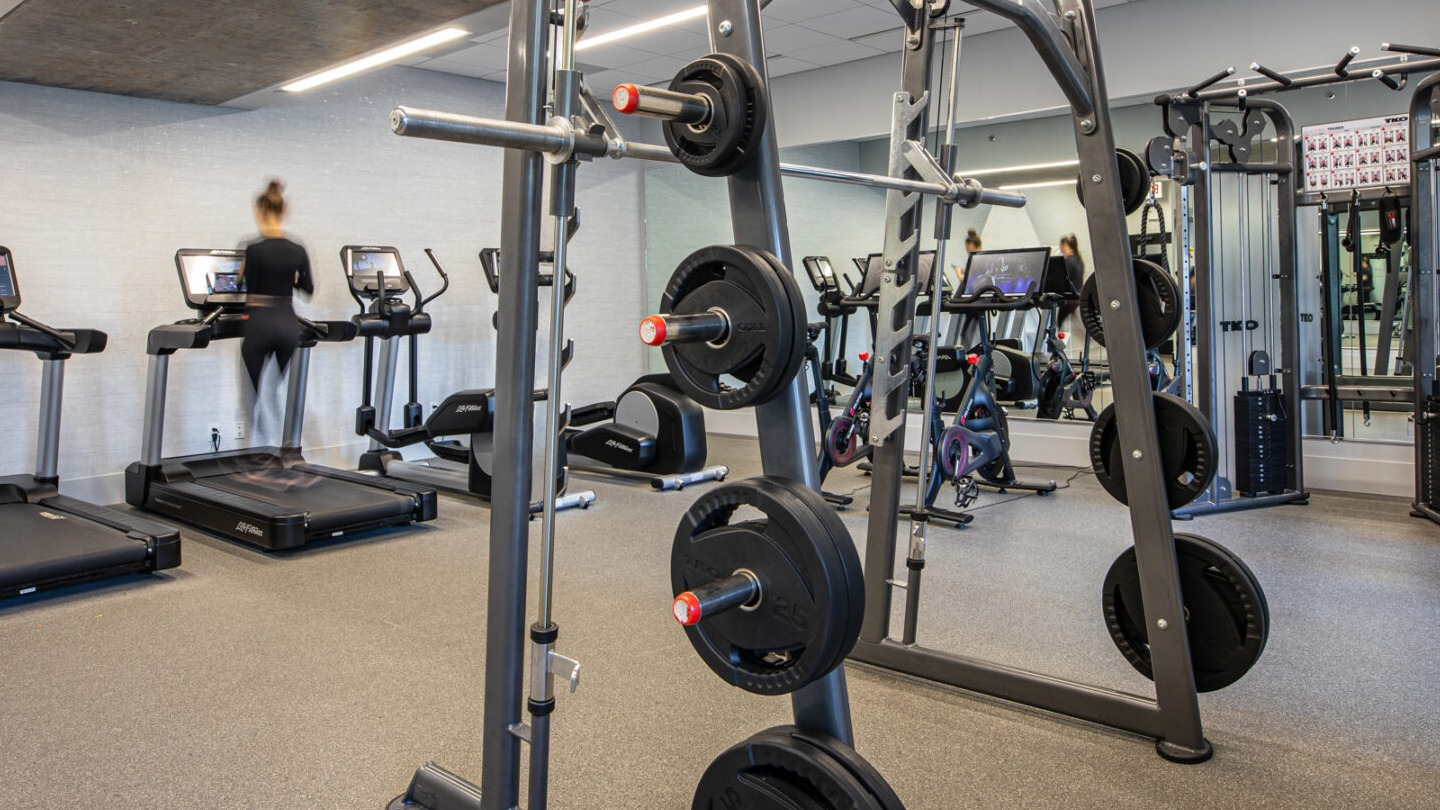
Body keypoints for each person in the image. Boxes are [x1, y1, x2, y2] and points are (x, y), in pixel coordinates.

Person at [239, 179, 313, 441]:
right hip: (287, 322)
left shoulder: (253, 249)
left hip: (260, 321)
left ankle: (256, 449)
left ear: (259, 210)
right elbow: (307, 289)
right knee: (274, 393)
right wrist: (290, 279)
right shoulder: (297, 249)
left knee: (252, 396)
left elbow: (243, 284)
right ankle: (287, 448)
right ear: (284, 211)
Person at [1057, 234, 1084, 330]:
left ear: (1065, 245)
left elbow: (1062, 280)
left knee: (1059, 325)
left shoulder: (1067, 261)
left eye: (1060, 245)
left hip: (1070, 299)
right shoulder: (1078, 260)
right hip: (1078, 297)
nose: (1060, 248)